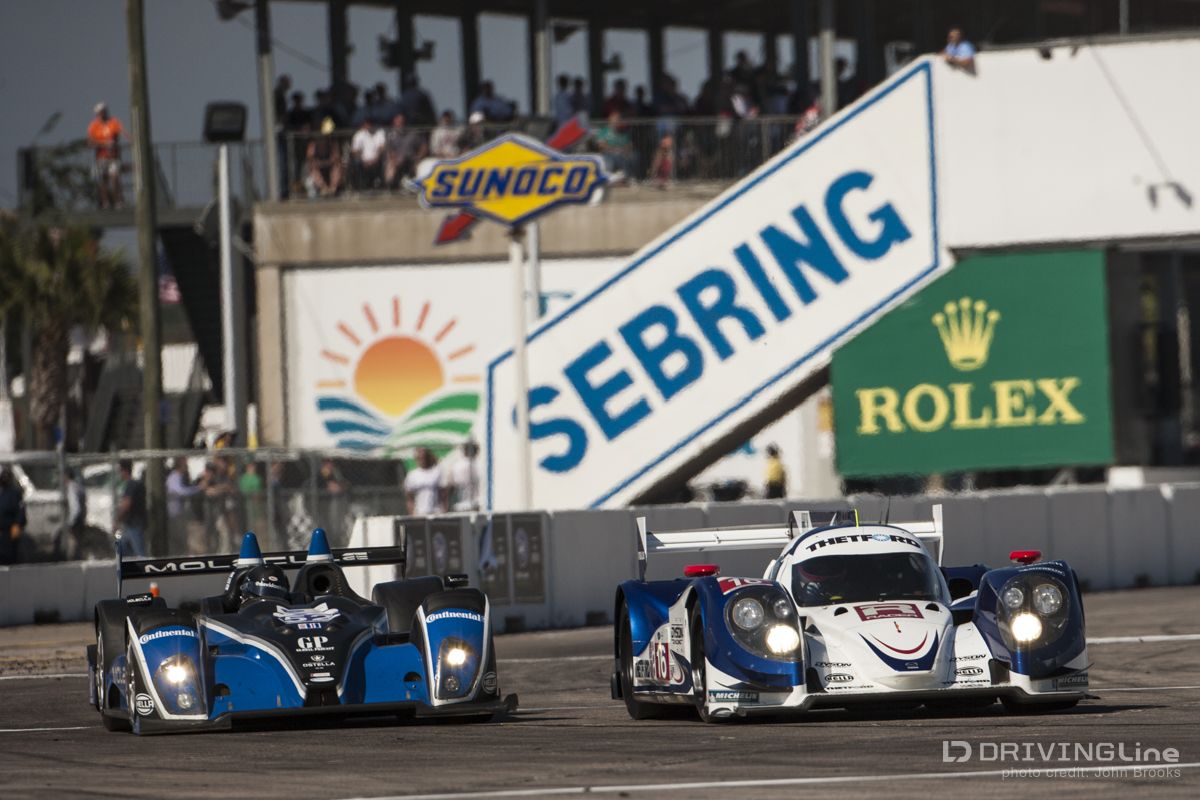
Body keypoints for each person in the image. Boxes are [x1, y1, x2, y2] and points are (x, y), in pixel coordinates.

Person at [86, 102, 124, 208]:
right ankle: (105, 202)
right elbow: (90, 142)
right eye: (100, 112)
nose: (102, 114)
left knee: (114, 177)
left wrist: (113, 143)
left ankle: (118, 201)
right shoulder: (93, 126)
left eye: (104, 111)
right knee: (103, 180)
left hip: (113, 156)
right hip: (101, 157)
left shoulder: (113, 122)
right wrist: (103, 144)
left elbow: (118, 134)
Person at [383, 113, 427, 188]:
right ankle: (390, 188)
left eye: (402, 121)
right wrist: (394, 160)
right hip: (397, 160)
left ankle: (416, 187)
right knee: (390, 167)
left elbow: (424, 146)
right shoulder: (390, 134)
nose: (400, 123)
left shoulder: (413, 133)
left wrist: (418, 158)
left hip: (412, 159)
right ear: (394, 122)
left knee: (420, 167)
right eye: (398, 121)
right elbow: (389, 150)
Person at [305, 117, 344, 198]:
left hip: (329, 164)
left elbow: (336, 157)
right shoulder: (313, 144)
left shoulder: (332, 142)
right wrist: (320, 163)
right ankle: (324, 188)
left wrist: (327, 162)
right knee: (313, 167)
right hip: (319, 166)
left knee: (337, 166)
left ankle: (333, 189)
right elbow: (310, 158)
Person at [116, 460, 147, 557]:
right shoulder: (135, 485)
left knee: (139, 551)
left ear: (124, 471)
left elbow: (126, 504)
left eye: (119, 471)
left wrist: (116, 519)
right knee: (122, 548)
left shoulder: (131, 485)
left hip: (134, 524)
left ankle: (144, 568)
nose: (118, 474)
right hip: (130, 524)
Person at [594, 111, 635, 179]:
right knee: (610, 160)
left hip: (623, 154)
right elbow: (601, 146)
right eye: (615, 119)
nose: (617, 121)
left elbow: (630, 146)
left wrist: (623, 150)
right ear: (610, 120)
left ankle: (629, 178)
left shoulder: (624, 132)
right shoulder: (603, 131)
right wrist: (615, 149)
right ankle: (608, 179)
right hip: (608, 154)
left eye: (619, 119)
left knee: (633, 156)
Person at [404, 447, 445, 515]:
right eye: (420, 457)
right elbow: (409, 498)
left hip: (436, 512)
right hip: (419, 513)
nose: (422, 459)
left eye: (424, 456)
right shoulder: (412, 475)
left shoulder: (437, 472)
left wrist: (444, 510)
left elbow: (443, 494)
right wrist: (412, 513)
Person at [349, 117, 386, 190]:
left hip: (376, 160)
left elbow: (382, 148)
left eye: (372, 124)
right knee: (356, 162)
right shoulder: (359, 134)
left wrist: (376, 159)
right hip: (362, 161)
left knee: (384, 161)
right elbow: (354, 151)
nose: (370, 126)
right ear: (364, 124)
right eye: (368, 124)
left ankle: (380, 185)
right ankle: (361, 186)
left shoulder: (380, 133)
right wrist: (363, 160)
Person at [0, 468, 27, 565]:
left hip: (11, 528)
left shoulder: (15, 493)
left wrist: (18, 524)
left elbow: (20, 510)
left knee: (10, 554)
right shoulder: (1, 492)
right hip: (1, 528)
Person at [447, 440, 481, 511]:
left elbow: (451, 486)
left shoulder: (456, 466)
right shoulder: (479, 465)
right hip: (475, 505)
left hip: (460, 506)